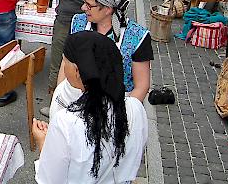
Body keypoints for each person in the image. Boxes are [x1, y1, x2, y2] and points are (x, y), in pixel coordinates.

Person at [32, 32, 148, 184]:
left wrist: (44, 144)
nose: (63, 66)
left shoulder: (66, 122)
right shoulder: (135, 108)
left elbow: (50, 180)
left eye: (65, 61)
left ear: (77, 71)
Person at [40, 0, 107, 117]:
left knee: (58, 61)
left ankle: (54, 103)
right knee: (84, 62)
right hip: (88, 21)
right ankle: (83, 103)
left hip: (65, 19)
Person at [68, 0, 153, 102]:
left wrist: (122, 114)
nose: (83, 8)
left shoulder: (138, 37)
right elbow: (66, 65)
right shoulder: (78, 23)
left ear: (108, 9)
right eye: (84, 2)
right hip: (78, 100)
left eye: (89, 5)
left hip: (119, 104)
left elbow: (141, 86)